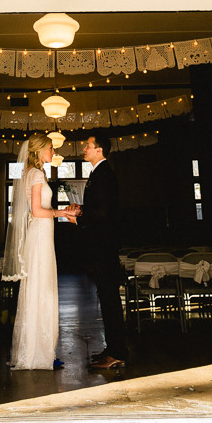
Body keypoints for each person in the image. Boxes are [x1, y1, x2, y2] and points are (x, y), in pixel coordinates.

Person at [2, 132, 76, 370]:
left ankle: (43, 350)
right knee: (40, 290)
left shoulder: (37, 173)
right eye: (50, 149)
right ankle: (37, 353)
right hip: (40, 235)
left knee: (43, 288)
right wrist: (62, 213)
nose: (53, 152)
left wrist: (61, 211)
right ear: (39, 150)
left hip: (44, 234)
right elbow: (36, 210)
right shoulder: (34, 173)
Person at [72, 133, 127, 369]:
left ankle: (117, 353)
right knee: (106, 300)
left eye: (88, 146)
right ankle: (112, 348)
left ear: (99, 151)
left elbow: (103, 213)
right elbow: (98, 208)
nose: (84, 149)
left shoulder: (104, 175)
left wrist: (78, 220)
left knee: (110, 301)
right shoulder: (98, 174)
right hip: (101, 247)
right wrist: (82, 210)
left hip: (104, 247)